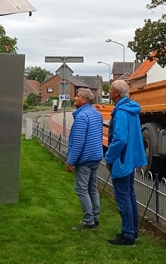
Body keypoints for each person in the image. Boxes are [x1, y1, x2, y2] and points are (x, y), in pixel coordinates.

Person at [105, 80, 147, 246]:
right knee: (129, 195)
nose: (108, 92)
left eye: (110, 90)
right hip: (130, 158)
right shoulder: (132, 108)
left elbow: (120, 138)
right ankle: (132, 230)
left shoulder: (121, 111)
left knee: (123, 197)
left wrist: (109, 157)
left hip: (121, 158)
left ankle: (128, 235)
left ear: (117, 92)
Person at [66, 88, 104, 230]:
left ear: (85, 100)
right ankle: (96, 217)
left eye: (77, 96)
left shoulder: (82, 116)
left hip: (85, 159)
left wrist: (70, 161)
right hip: (96, 156)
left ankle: (89, 221)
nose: (74, 98)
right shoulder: (96, 114)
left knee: (81, 189)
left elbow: (78, 142)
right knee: (92, 188)